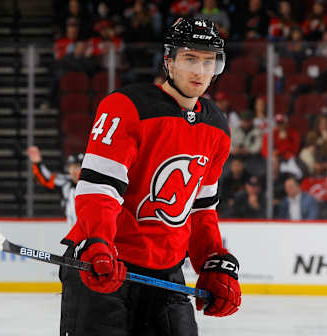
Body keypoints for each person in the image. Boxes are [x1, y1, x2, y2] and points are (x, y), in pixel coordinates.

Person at [59, 18, 241, 336]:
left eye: (208, 61)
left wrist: (211, 260)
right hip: (104, 263)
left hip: (166, 274)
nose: (200, 71)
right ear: (169, 60)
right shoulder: (127, 107)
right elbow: (99, 189)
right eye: (190, 58)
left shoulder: (217, 128)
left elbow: (201, 208)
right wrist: (99, 242)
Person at [27, 146, 83, 228]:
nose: (73, 171)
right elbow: (47, 179)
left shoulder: (94, 184)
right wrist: (37, 164)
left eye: (77, 167)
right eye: (71, 167)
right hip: (74, 231)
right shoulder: (65, 183)